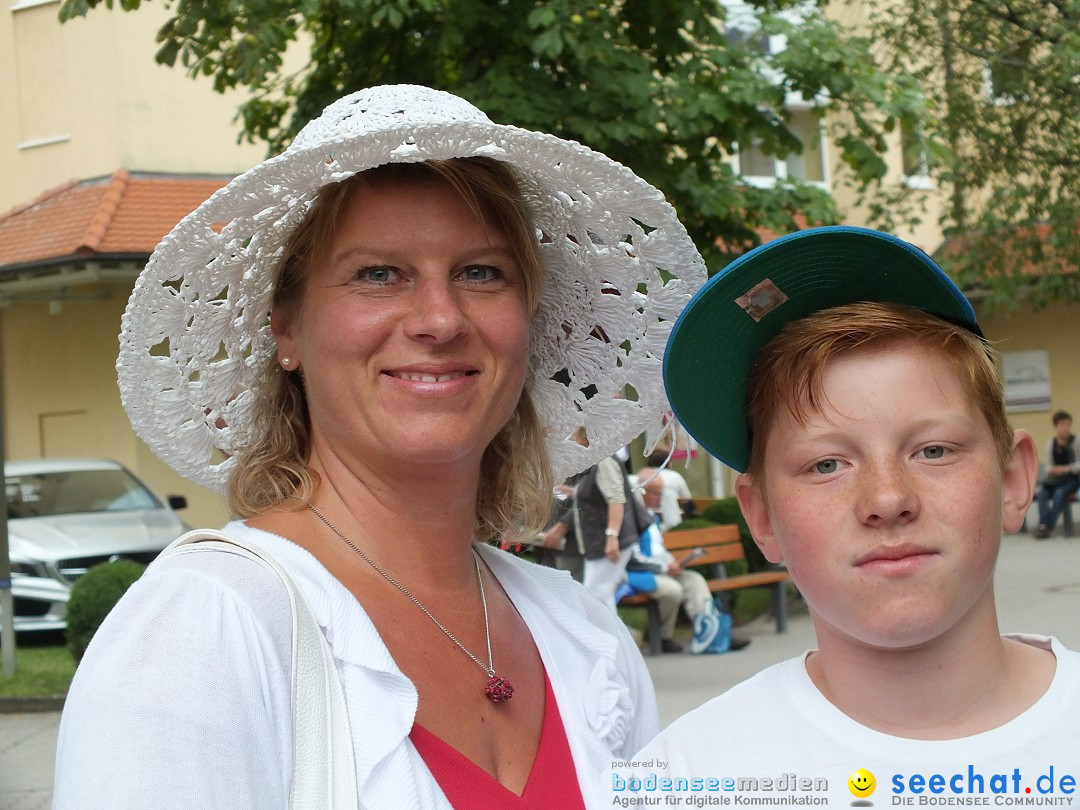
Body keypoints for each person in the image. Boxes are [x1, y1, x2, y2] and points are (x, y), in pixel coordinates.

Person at [53, 84, 708, 809]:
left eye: (480, 272)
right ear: (287, 329)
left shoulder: (582, 633)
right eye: (377, 274)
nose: (439, 317)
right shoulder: (204, 632)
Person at [613, 226, 1080, 805]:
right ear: (762, 518)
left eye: (932, 450)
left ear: (1012, 481)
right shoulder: (680, 781)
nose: (887, 499)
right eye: (827, 464)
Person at [625, 469, 749, 654]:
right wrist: (664, 566)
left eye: (661, 493)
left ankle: (711, 634)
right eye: (657, 493)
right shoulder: (629, 516)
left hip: (661, 570)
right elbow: (631, 557)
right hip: (638, 574)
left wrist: (675, 563)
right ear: (642, 490)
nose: (660, 498)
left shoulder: (652, 515)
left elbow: (658, 549)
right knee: (672, 590)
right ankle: (660, 637)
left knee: (694, 580)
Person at [1033, 410, 1080, 538]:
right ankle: (1043, 524)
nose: (1065, 428)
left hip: (1072, 480)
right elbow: (1048, 466)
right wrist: (1053, 470)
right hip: (1054, 479)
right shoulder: (1051, 443)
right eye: (1062, 425)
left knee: (1060, 493)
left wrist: (1066, 469)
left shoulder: (1076, 441)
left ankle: (1048, 526)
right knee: (1042, 494)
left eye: (1067, 425)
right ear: (1056, 427)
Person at [643, 447, 693, 530]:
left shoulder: (643, 476)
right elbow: (687, 498)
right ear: (668, 462)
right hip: (674, 523)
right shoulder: (675, 476)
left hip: (650, 526)